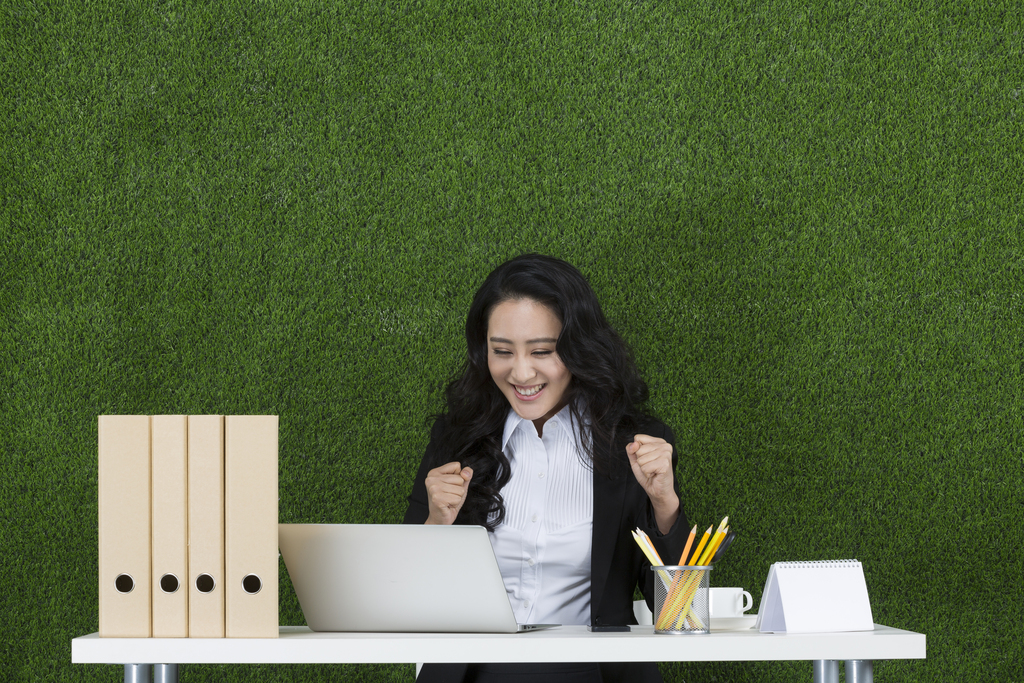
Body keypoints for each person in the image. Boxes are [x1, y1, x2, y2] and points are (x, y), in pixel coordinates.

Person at [403, 254, 689, 683]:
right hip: (472, 672)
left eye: (542, 351)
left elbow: (679, 610)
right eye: (502, 351)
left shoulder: (634, 443)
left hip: (597, 675)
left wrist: (664, 502)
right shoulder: (455, 439)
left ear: (578, 350)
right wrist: (436, 521)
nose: (521, 372)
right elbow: (406, 595)